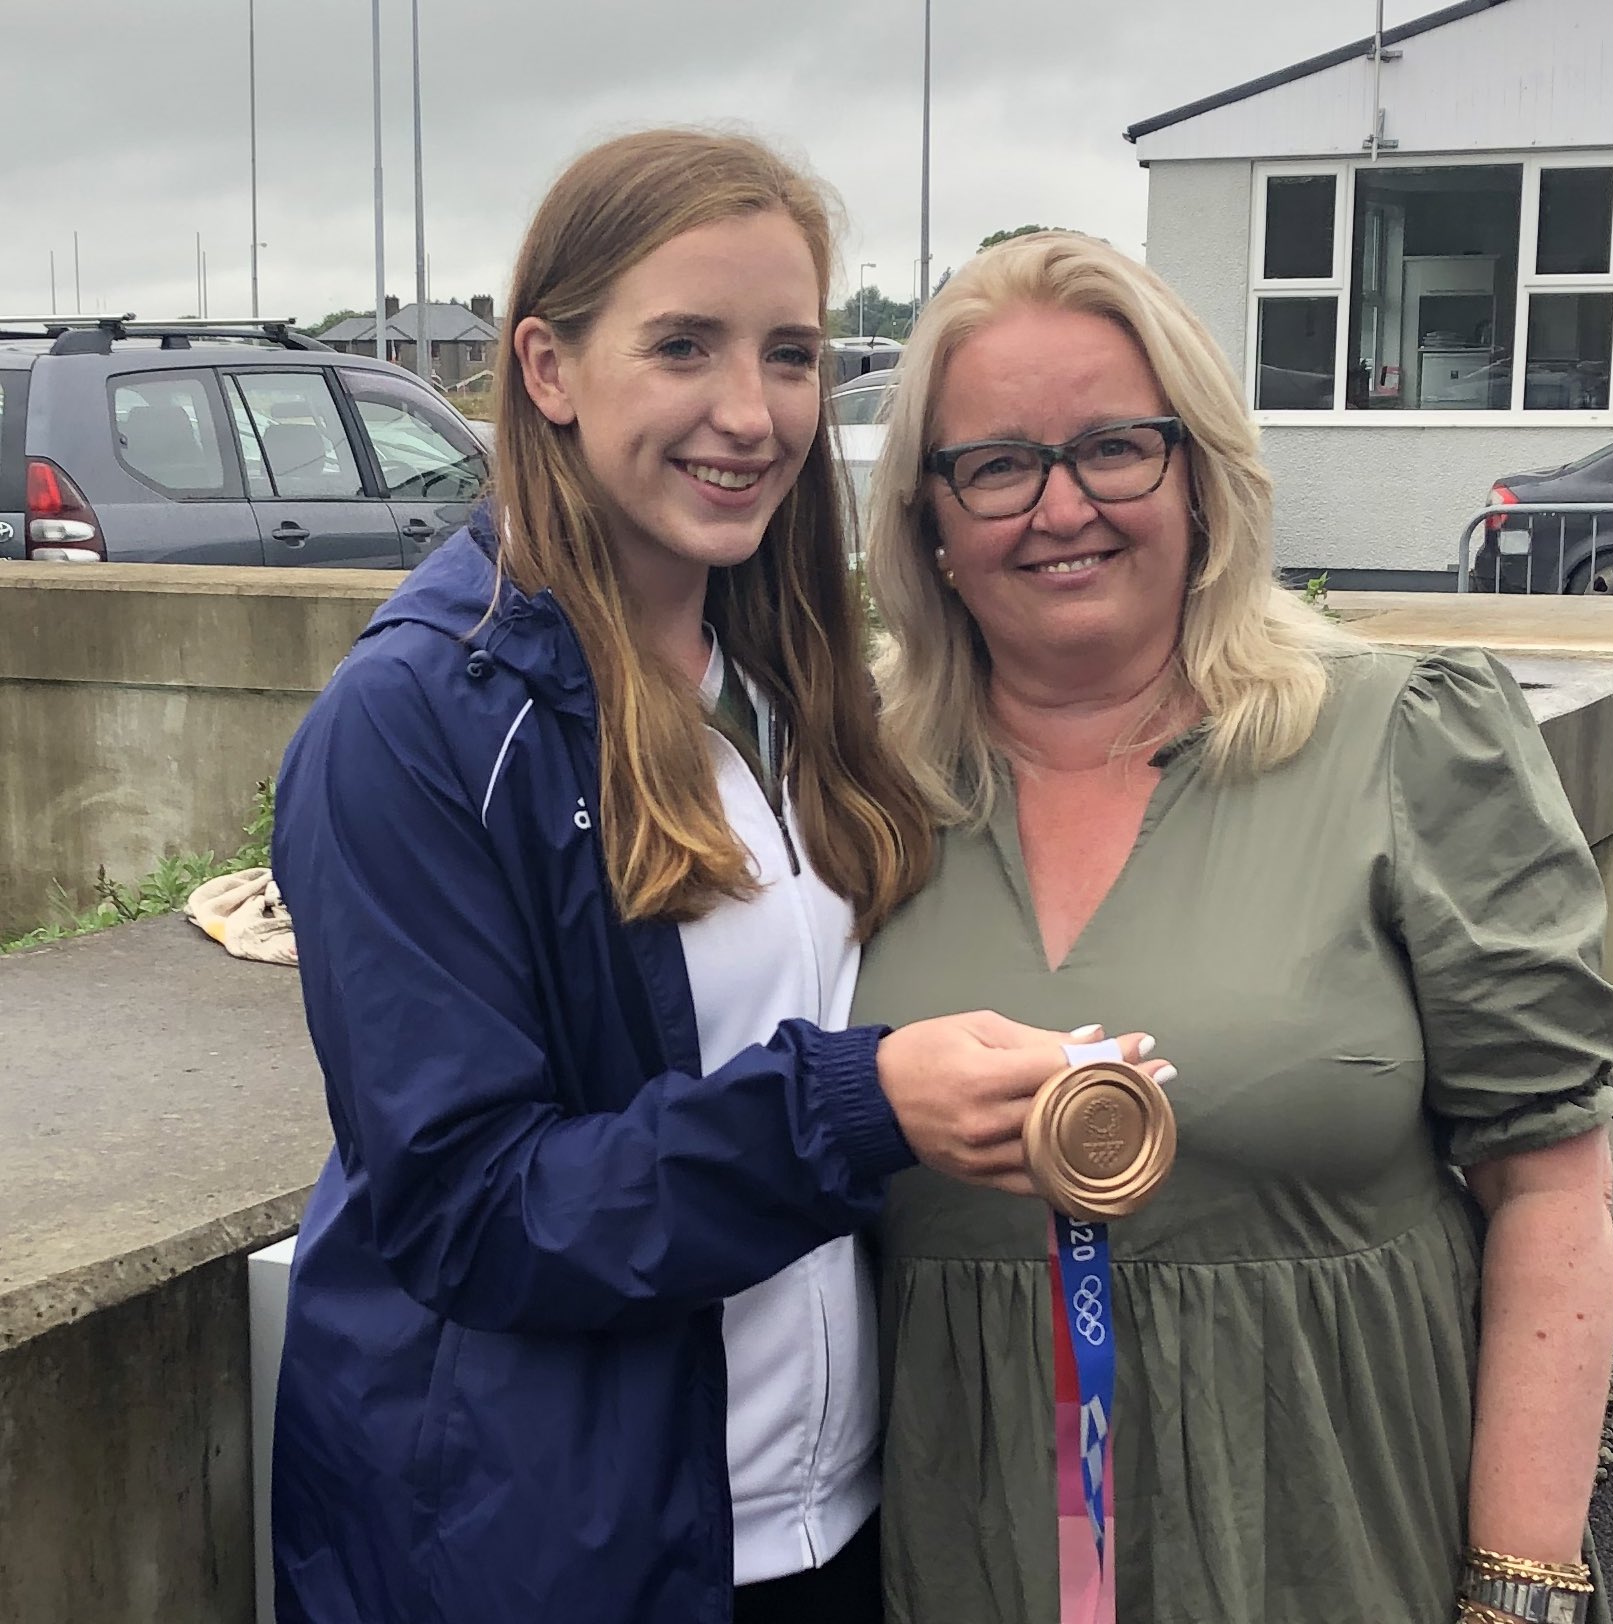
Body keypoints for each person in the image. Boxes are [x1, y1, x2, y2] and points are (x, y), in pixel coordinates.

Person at [267, 132, 1099, 1624]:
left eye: (791, 354)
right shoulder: (411, 723)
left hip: (834, 1524)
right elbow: (468, 1209)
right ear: (548, 368)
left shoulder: (786, 683)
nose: (751, 414)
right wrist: (855, 1105)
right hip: (561, 1559)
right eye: (682, 347)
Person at [855, 231, 1613, 1624]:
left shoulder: (1402, 738)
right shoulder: (844, 796)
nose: (1060, 506)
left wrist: (1519, 1591)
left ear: (1200, 476)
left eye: (1115, 448)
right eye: (998, 465)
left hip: (1335, 1540)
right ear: (930, 521)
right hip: (968, 1551)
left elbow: (1552, 1189)